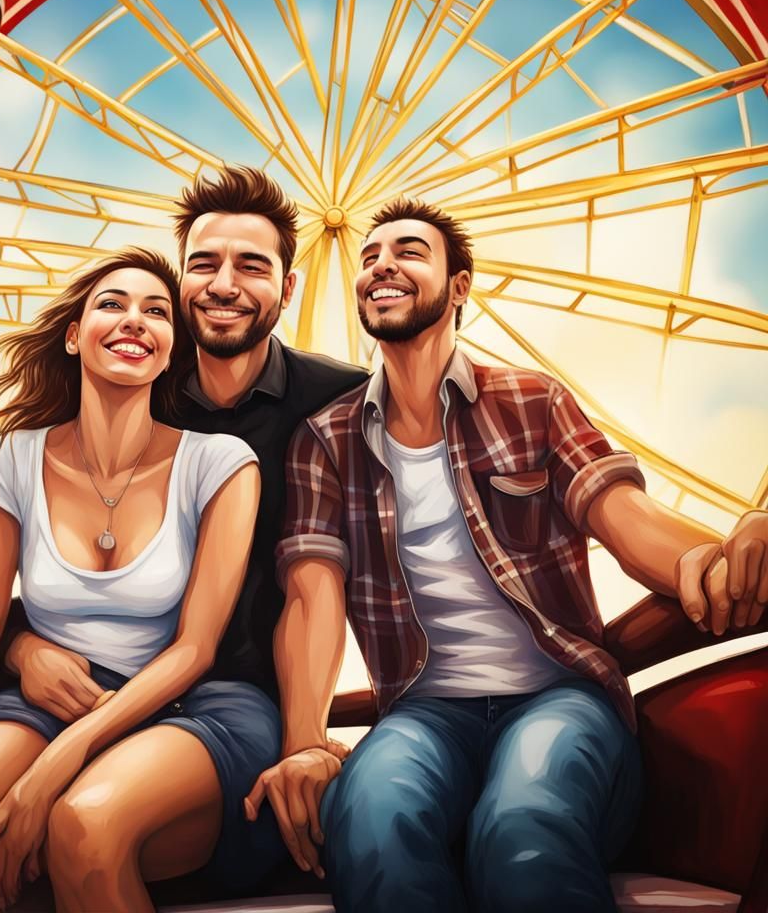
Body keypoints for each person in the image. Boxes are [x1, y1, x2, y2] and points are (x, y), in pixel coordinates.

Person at [249, 197, 768, 912]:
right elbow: (314, 595)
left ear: (460, 287)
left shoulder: (533, 400)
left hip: (559, 695)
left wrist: (724, 554)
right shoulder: (325, 440)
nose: (380, 267)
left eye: (408, 252)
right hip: (423, 713)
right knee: (369, 821)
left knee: (524, 823)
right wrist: (306, 741)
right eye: (369, 259)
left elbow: (624, 519)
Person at [3, 166, 368, 893]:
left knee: (86, 827)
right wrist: (20, 644)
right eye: (203, 264)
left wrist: (306, 738)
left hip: (234, 703)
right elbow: (51, 567)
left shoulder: (345, 402)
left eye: (251, 266)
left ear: (287, 290)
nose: (223, 284)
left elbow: (328, 581)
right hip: (100, 689)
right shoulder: (136, 389)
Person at [0, 247, 269, 913]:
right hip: (47, 700)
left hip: (189, 704)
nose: (135, 321)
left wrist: (59, 761)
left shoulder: (219, 463)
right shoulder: (9, 461)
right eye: (112, 304)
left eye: (157, 312)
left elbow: (196, 648)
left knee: (83, 825)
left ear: (169, 352)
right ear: (73, 335)